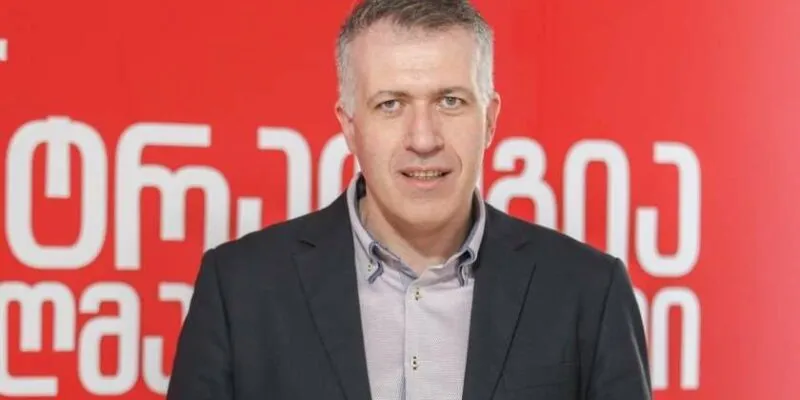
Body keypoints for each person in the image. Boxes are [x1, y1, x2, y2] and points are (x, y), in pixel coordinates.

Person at [166, 0, 652, 399]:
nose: (423, 138)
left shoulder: (589, 291)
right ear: (349, 126)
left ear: (490, 120)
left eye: (450, 101)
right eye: (391, 104)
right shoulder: (239, 289)